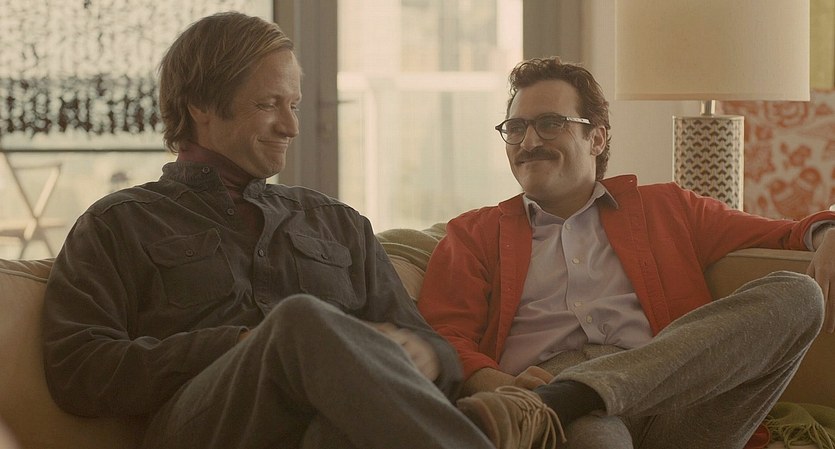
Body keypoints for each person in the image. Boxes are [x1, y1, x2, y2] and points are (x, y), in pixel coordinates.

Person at [40, 12, 494, 449]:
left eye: (293, 105)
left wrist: (425, 355)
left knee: (334, 430)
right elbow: (78, 370)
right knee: (300, 321)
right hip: (201, 429)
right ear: (200, 105)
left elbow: (433, 346)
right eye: (268, 104)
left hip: (329, 428)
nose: (291, 126)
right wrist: (238, 344)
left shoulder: (338, 223)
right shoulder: (119, 222)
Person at [418, 56, 835, 449]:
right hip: (556, 403)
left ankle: (571, 395)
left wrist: (830, 230)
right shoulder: (472, 234)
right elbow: (443, 336)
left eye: (549, 124)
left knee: (798, 294)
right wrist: (504, 389)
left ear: (596, 138)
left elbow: (787, 233)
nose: (528, 141)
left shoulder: (669, 208)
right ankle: (567, 399)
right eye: (516, 127)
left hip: (677, 396)